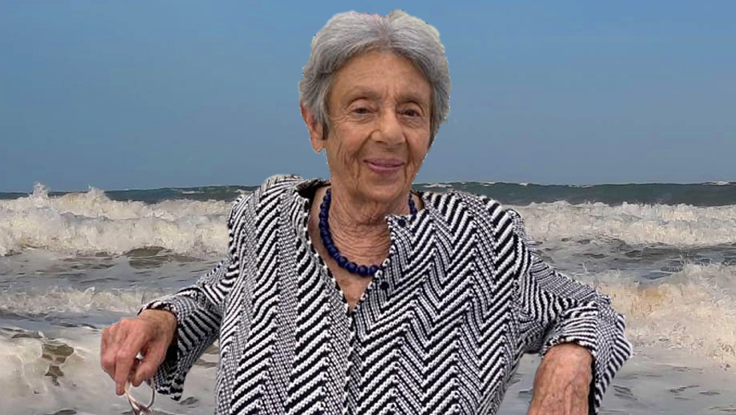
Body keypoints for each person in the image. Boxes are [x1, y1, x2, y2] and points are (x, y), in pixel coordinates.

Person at [100, 10, 632, 415]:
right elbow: (223, 290)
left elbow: (590, 310)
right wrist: (162, 318)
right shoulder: (269, 220)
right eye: (362, 109)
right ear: (316, 125)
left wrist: (569, 360)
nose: (390, 132)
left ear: (430, 131)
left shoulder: (481, 242)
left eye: (411, 111)